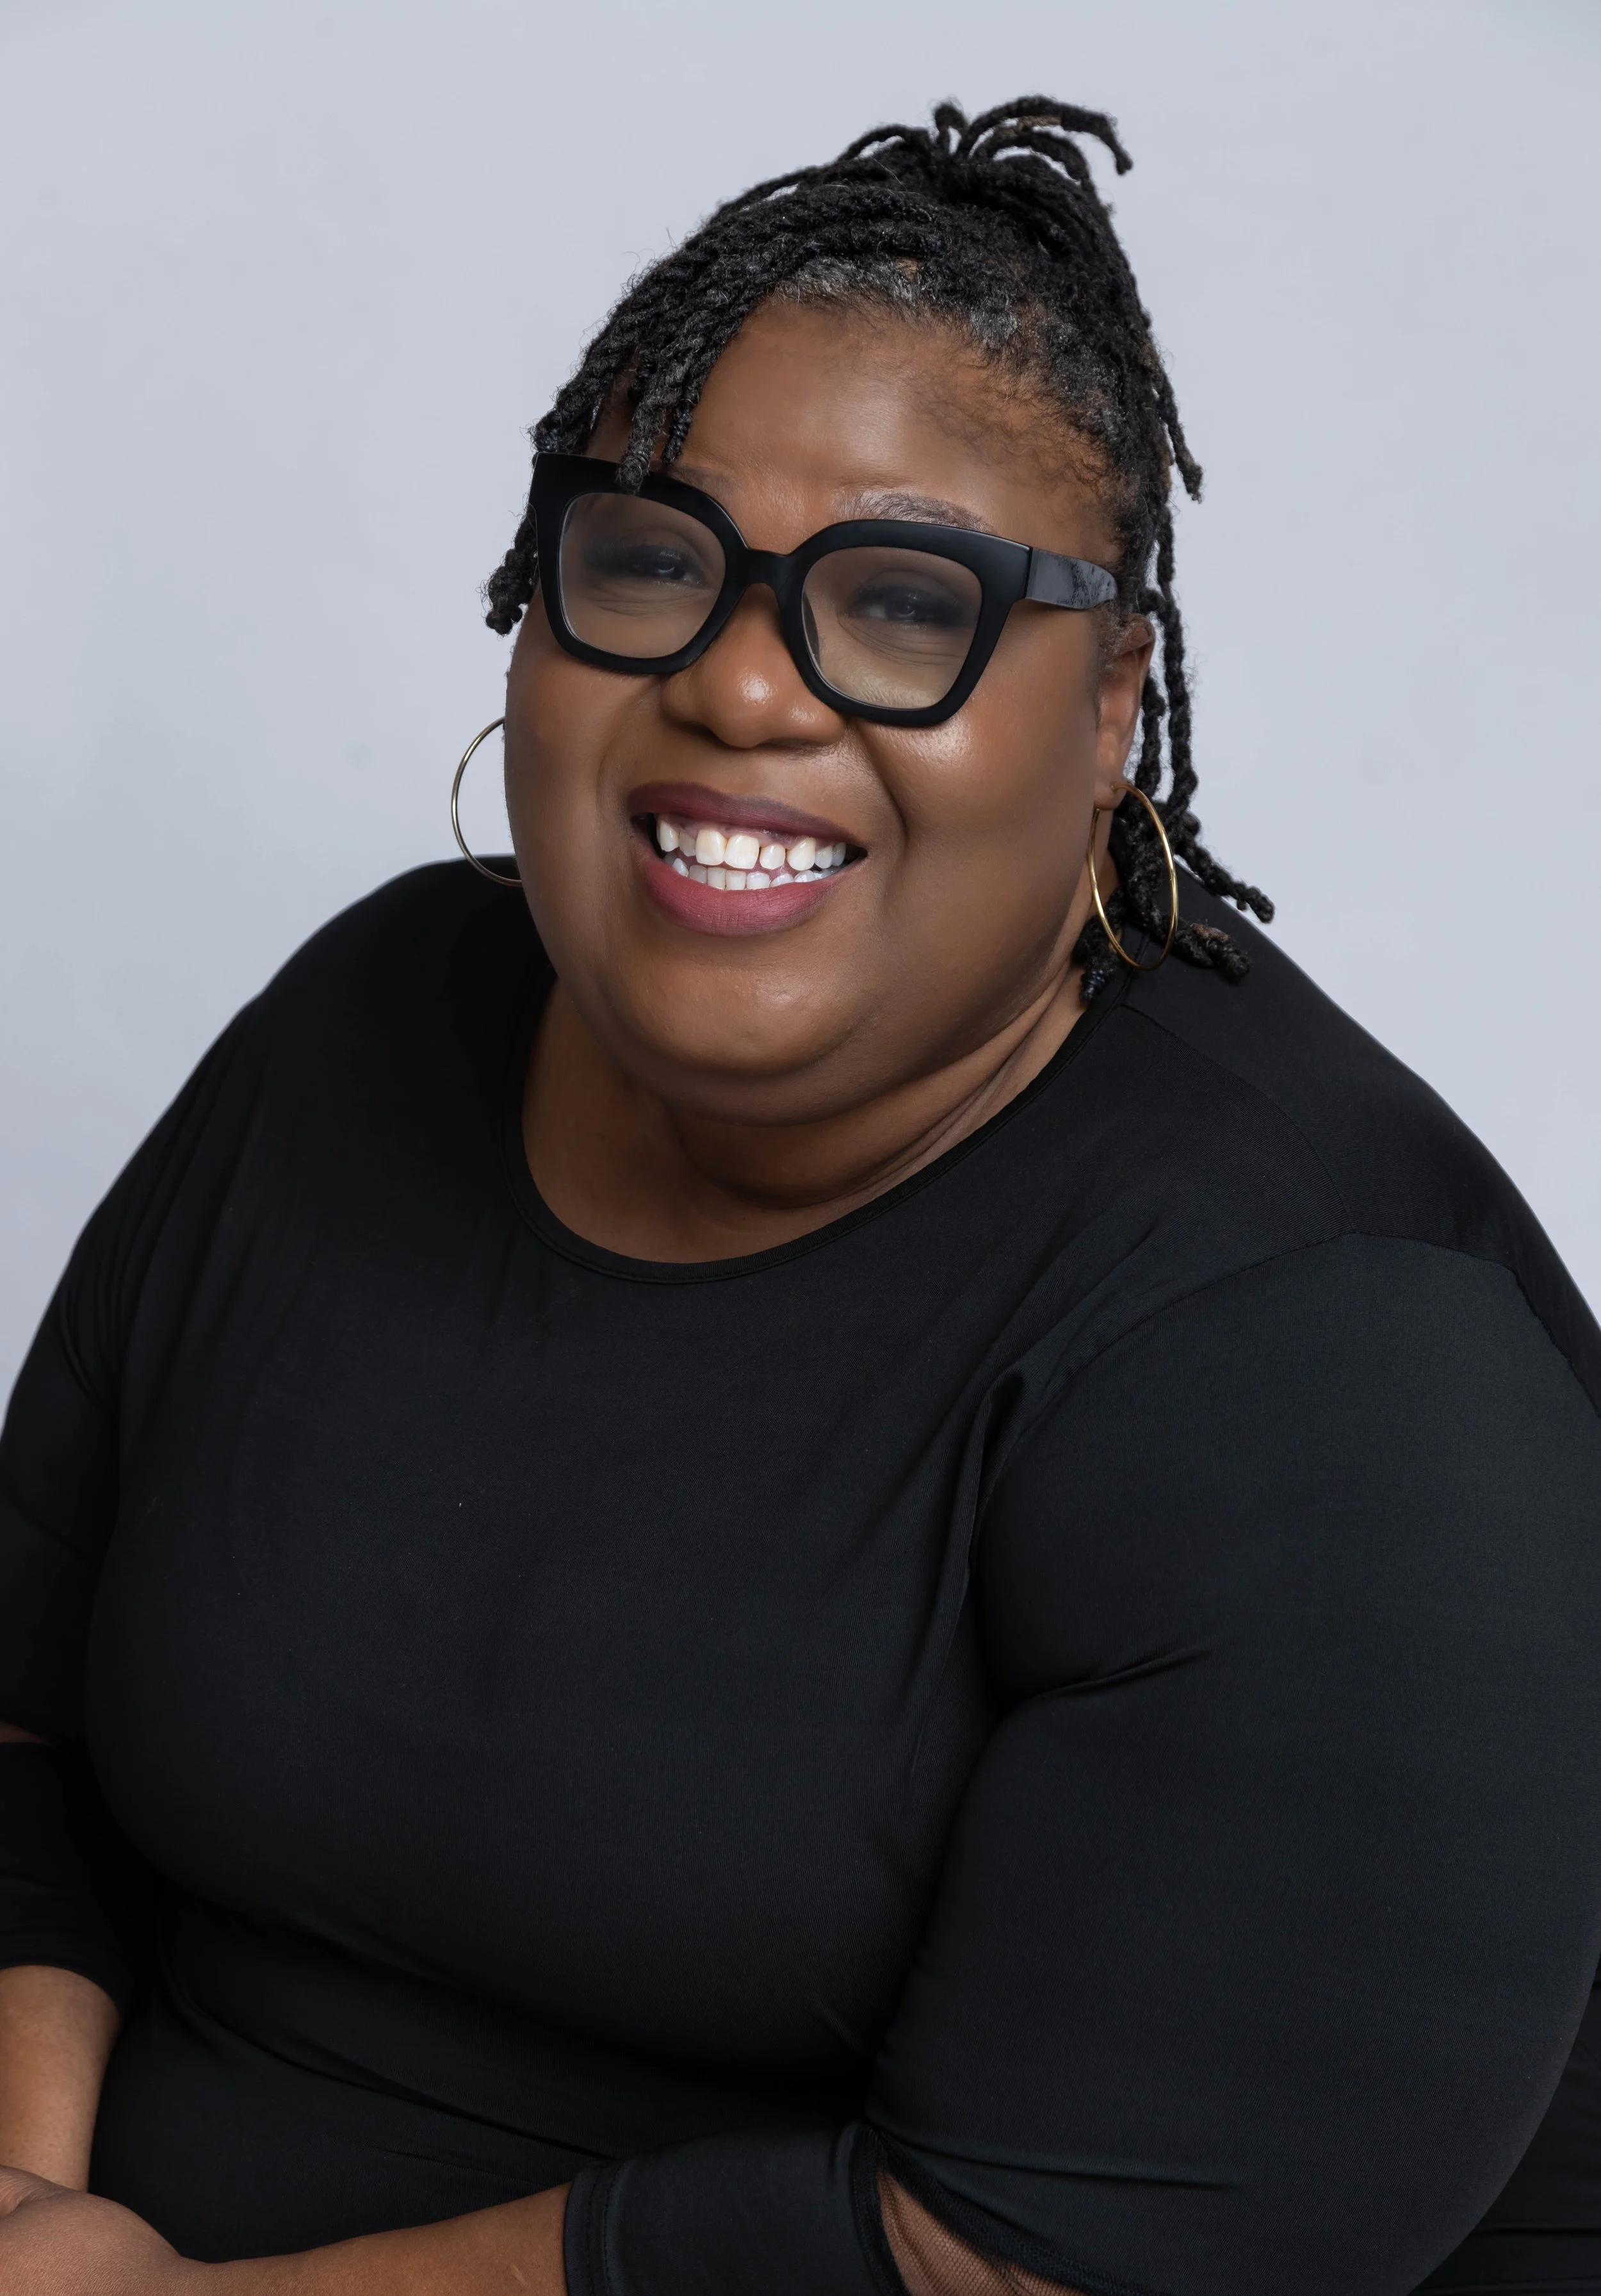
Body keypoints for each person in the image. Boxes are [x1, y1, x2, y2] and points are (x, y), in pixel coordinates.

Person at [1, 94, 1599, 2296]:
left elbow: (1025, 2262)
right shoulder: (367, 1027)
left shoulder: (1323, 1345)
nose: (740, 681)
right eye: (649, 558)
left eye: (901, 604)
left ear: (1113, 697)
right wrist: (37, 2206)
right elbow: (33, 1724)